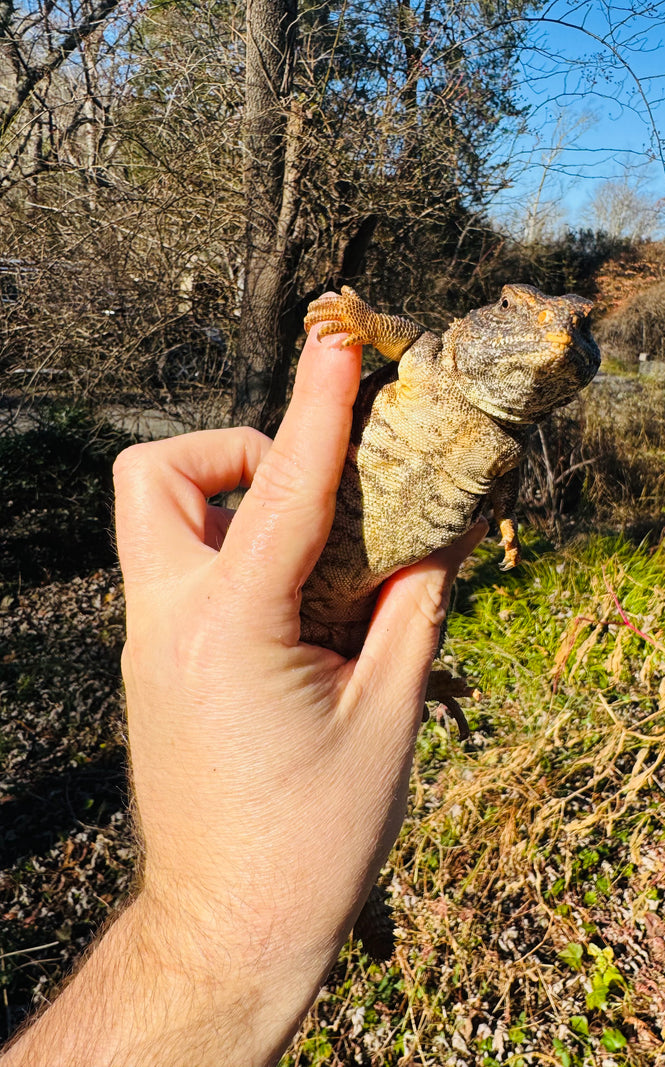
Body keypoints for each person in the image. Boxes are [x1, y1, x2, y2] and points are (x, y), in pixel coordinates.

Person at [0, 323, 486, 1067]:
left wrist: (208, 947)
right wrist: (223, 944)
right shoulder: (431, 355)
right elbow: (404, 339)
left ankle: (365, 910)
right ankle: (366, 911)